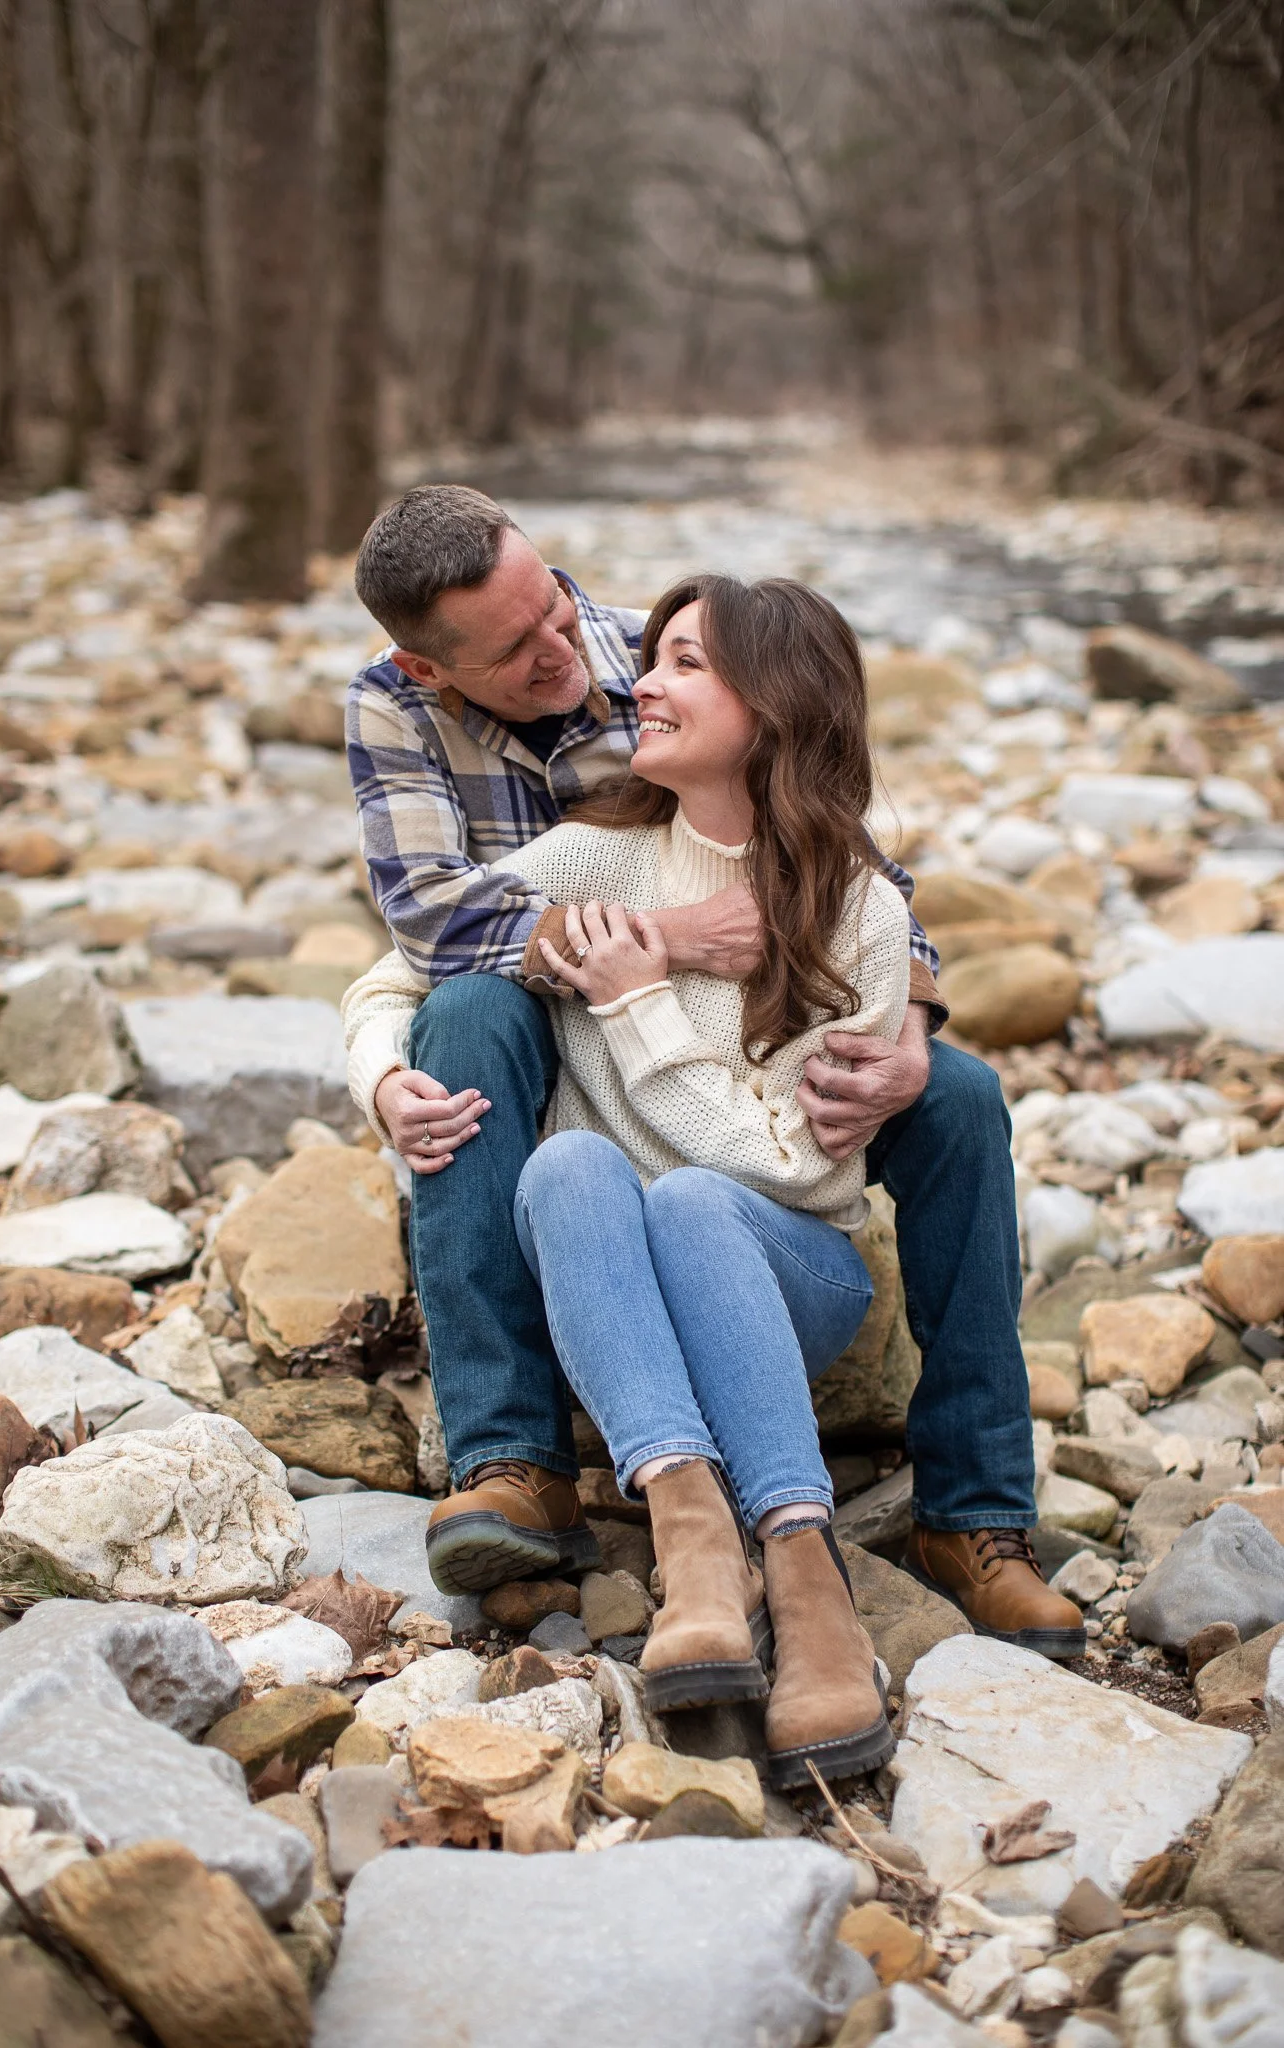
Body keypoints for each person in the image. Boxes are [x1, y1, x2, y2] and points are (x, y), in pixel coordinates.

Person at [342, 484, 1084, 1662]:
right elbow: (423, 937)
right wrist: (643, 960)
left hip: (754, 1085)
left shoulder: (664, 656)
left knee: (958, 1096)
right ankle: (514, 1459)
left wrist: (911, 1026)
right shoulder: (404, 714)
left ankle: (976, 1515)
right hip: (550, 1011)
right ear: (433, 669)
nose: (576, 655)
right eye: (517, 646)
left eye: (558, 606)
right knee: (475, 1022)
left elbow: (853, 877)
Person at [348, 574, 912, 1783]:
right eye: (651, 657)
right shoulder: (592, 857)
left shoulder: (855, 906)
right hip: (618, 1291)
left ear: (778, 701)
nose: (640, 683)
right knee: (566, 1164)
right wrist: (379, 1075)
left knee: (698, 1196)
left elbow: (784, 1160)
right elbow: (401, 971)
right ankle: (692, 1535)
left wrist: (639, 1007)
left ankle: (808, 1574)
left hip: (788, 1270)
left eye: (686, 664)